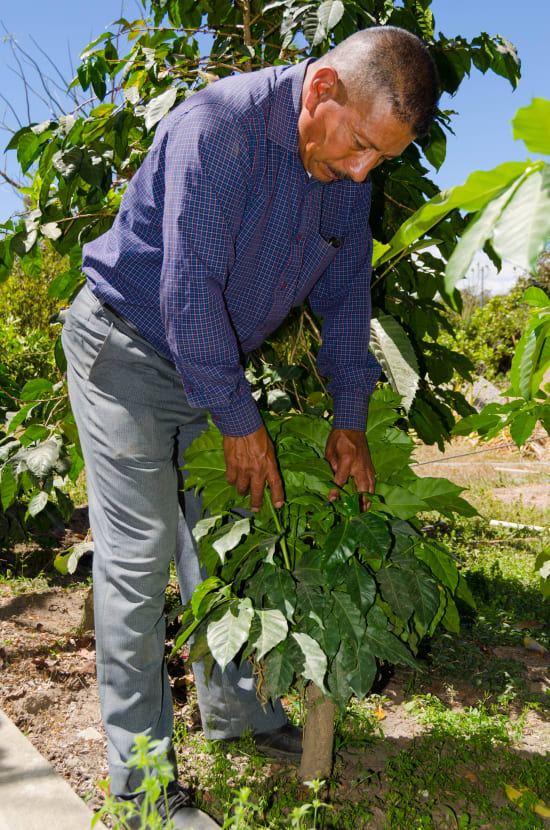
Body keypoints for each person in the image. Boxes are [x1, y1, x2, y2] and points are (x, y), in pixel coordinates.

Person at [61, 25, 439, 829]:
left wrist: (350, 420)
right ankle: (142, 794)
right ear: (322, 89)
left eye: (384, 160)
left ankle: (243, 715)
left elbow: (346, 301)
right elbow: (188, 295)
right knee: (138, 564)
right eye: (363, 146)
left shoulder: (346, 170)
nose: (364, 169)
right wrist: (241, 422)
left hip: (211, 363)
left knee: (226, 542)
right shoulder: (219, 131)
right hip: (125, 346)